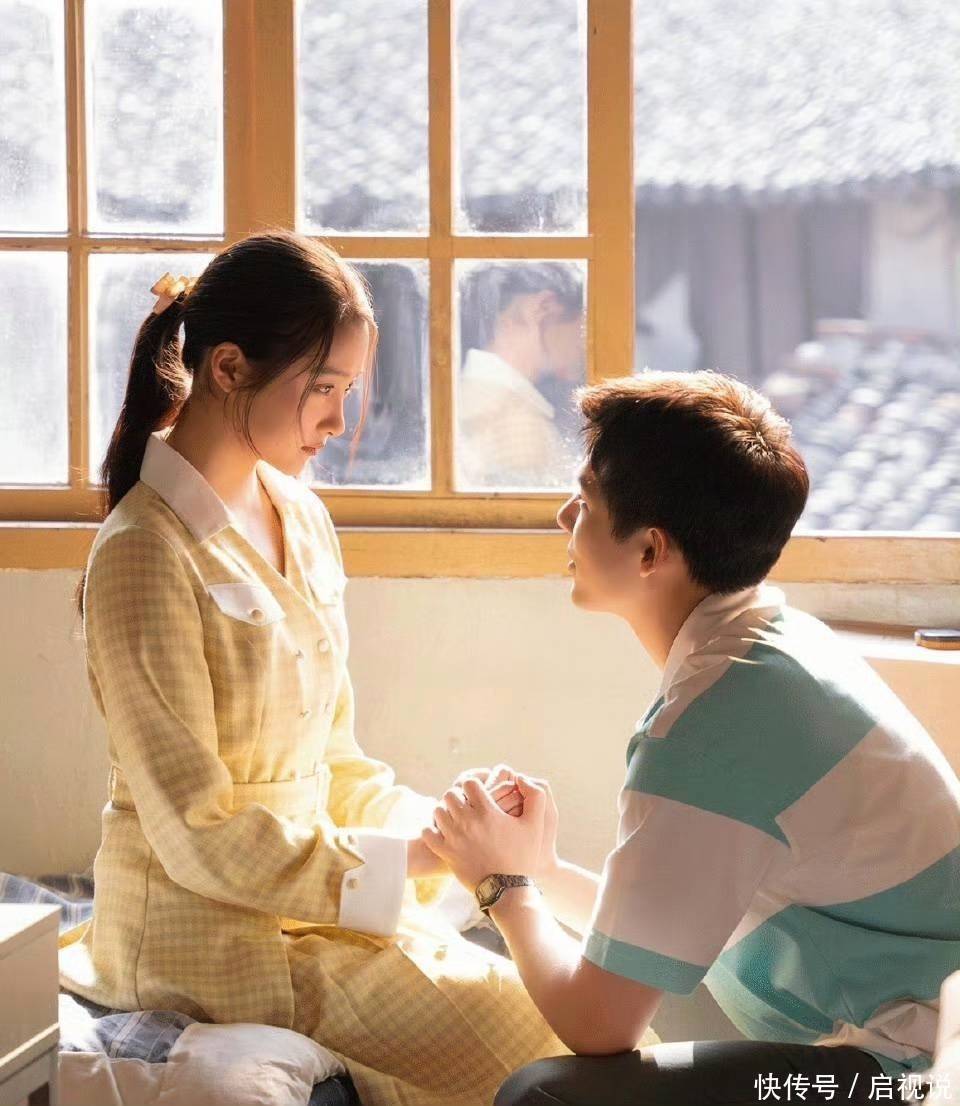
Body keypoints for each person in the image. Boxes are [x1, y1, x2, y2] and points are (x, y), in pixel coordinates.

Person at [58, 231, 577, 1106]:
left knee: (557, 1000)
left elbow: (334, 763)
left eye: (348, 391)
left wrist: (450, 828)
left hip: (308, 914)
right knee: (535, 1034)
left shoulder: (299, 517)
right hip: (207, 941)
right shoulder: (143, 551)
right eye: (324, 388)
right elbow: (198, 832)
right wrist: (416, 859)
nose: (339, 422)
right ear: (228, 367)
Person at [422, 370, 960, 1106]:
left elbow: (598, 1022)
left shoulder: (712, 725)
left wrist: (500, 886)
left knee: (542, 1096)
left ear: (650, 551)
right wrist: (538, 872)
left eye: (586, 501)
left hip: (915, 1075)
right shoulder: (775, 650)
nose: (563, 516)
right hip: (919, 1043)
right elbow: (659, 932)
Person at [457, 262, 583, 488]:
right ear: (543, 307)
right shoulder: (517, 422)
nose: (587, 342)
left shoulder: (468, 395)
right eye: (584, 324)